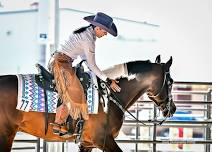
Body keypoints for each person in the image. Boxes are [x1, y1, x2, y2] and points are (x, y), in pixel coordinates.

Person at [48, 12, 121, 134]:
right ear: (97, 28)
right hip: (60, 63)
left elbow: (86, 60)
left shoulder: (86, 34)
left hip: (63, 62)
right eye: (105, 31)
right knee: (74, 90)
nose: (106, 33)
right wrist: (107, 80)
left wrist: (96, 73)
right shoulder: (88, 40)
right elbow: (92, 64)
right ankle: (58, 124)